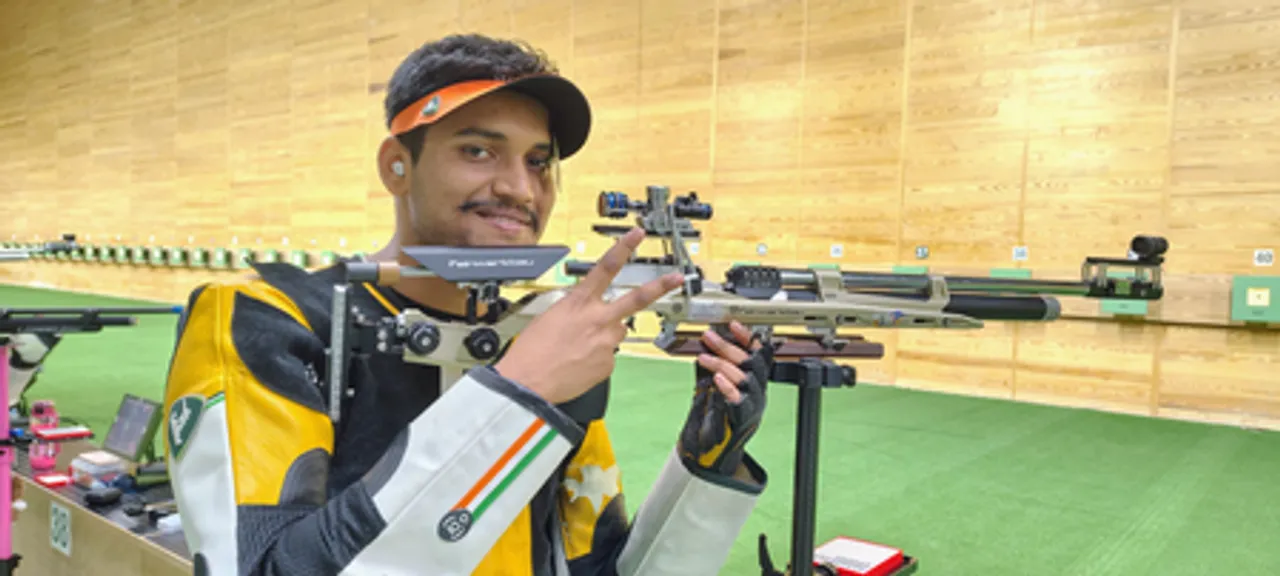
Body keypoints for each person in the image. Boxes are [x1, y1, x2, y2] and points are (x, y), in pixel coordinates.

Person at [162, 33, 774, 576]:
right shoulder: (264, 318)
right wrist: (520, 393)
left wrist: (705, 467)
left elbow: (596, 566)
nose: (519, 187)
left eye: (539, 162)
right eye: (478, 150)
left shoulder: (532, 335)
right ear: (396, 166)